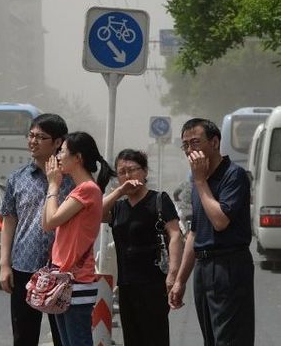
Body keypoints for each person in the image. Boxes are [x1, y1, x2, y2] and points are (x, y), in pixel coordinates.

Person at [168, 118, 255, 345]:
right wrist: (180, 280)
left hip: (229, 266)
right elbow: (195, 234)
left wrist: (199, 182)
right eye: (185, 145)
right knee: (212, 338)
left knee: (230, 338)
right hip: (204, 268)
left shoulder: (233, 176)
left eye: (195, 142)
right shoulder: (201, 180)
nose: (189, 150)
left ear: (214, 142)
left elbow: (220, 221)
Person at [0, 113, 72, 346]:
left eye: (40, 137)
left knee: (64, 337)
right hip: (24, 267)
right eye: (31, 135)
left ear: (58, 142)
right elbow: (9, 221)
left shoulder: (71, 179)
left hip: (62, 270)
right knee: (23, 337)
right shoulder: (17, 178)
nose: (33, 141)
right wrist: (4, 265)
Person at [101, 148, 183, 346]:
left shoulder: (158, 200)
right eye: (122, 172)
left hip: (153, 284)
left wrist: (173, 274)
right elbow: (96, 213)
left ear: (145, 172)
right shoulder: (119, 206)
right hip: (127, 285)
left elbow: (175, 235)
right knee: (132, 338)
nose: (128, 175)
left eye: (132, 170)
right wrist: (120, 191)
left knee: (154, 337)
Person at [42, 131, 116, 346]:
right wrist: (53, 188)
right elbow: (47, 222)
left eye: (63, 152)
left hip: (76, 280)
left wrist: (53, 186)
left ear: (78, 158)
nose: (58, 158)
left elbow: (51, 220)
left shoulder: (87, 190)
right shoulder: (81, 189)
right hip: (64, 278)